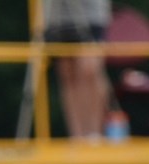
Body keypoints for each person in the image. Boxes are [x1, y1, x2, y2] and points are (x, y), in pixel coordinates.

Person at [42, 0, 113, 141]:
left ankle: (94, 133)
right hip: (57, 16)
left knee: (90, 70)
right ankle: (77, 134)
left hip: (91, 13)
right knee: (67, 75)